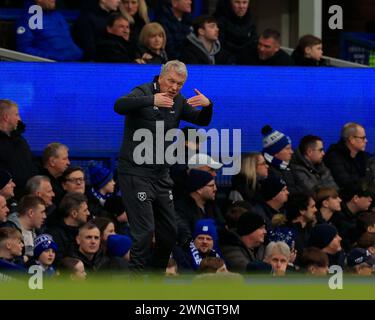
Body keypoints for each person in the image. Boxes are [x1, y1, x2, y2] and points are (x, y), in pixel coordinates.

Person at [114, 60, 213, 272]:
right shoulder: (144, 91)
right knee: (145, 231)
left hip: (160, 175)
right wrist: (151, 100)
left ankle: (155, 280)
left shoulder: (178, 101)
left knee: (169, 232)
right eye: (171, 81)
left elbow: (201, 120)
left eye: (180, 83)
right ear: (161, 76)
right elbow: (119, 105)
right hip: (135, 173)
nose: (175, 87)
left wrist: (208, 105)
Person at [16, 0, 83, 61]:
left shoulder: (58, 16)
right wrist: (52, 57)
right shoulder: (27, 19)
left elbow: (68, 41)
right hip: (53, 67)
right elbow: (24, 50)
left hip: (77, 63)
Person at [0, 100, 37, 198]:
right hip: (7, 197)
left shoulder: (20, 140)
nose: (19, 118)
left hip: (27, 195)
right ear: (6, 117)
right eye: (16, 114)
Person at [324, 122, 369, 189]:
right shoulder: (334, 157)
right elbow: (346, 184)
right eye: (363, 138)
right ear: (352, 140)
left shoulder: (362, 155)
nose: (366, 141)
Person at [261, 125, 297, 194]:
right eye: (287, 148)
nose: (292, 152)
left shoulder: (290, 165)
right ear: (275, 152)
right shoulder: (268, 172)